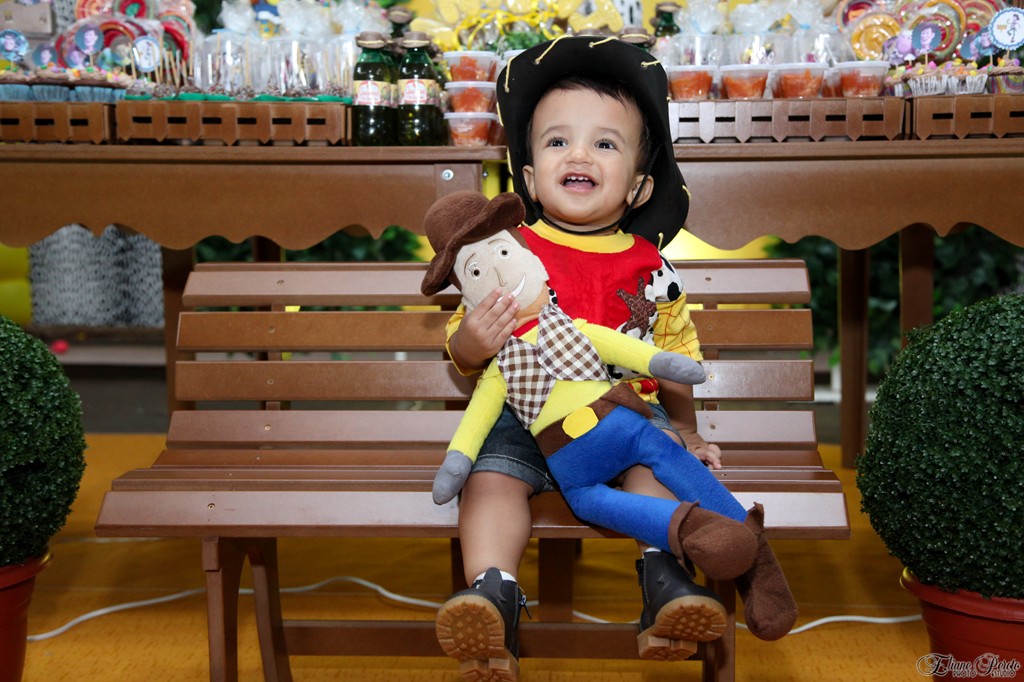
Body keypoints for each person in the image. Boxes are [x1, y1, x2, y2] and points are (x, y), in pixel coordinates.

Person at [432, 35, 797, 682]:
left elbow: (672, 352)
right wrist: (474, 342)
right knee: (489, 481)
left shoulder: (650, 266)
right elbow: (461, 343)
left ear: (638, 185)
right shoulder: (508, 251)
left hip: (624, 416)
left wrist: (686, 430)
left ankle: (666, 582)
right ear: (529, 175)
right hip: (525, 418)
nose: (579, 154)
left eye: (605, 144)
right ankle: (494, 595)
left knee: (654, 470)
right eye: (557, 141)